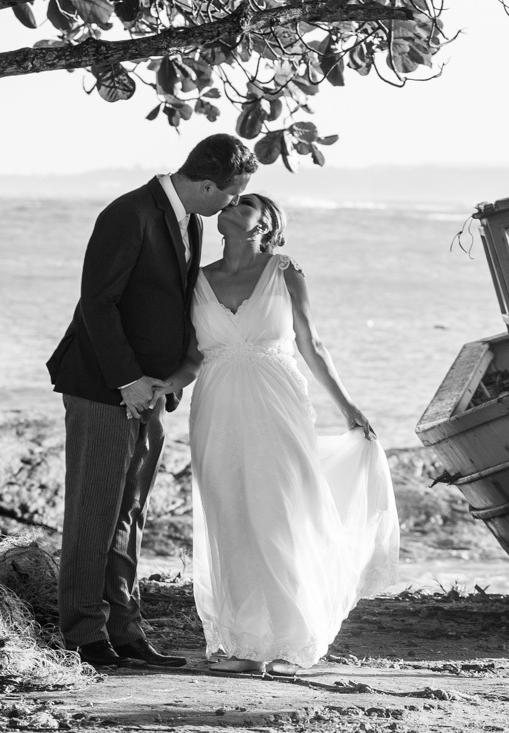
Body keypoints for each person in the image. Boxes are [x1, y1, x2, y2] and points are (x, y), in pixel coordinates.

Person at [158, 193, 399, 674]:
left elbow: (311, 343)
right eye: (226, 203)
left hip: (277, 402)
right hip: (216, 408)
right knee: (229, 516)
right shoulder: (198, 280)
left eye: (243, 204)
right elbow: (191, 358)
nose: (229, 206)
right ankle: (245, 644)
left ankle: (294, 641)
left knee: (279, 513)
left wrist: (347, 406)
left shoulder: (285, 271)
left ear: (265, 223)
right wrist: (166, 385)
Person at [46, 134, 258, 668]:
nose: (233, 206)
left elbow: (167, 305)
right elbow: (98, 301)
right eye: (232, 195)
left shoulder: (192, 220)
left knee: (130, 515)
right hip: (104, 388)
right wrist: (127, 380)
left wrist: (170, 378)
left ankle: (126, 629)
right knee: (95, 514)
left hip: (151, 394)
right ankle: (84, 636)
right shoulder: (129, 213)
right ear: (207, 184)